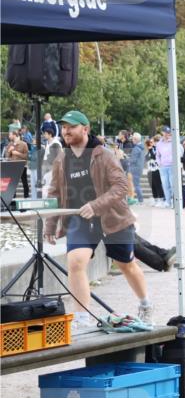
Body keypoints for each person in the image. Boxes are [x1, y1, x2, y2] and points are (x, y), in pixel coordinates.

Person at [42, 111, 153, 328]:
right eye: (63, 127)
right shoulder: (61, 159)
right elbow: (54, 193)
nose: (66, 131)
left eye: (71, 127)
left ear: (85, 128)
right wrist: (50, 224)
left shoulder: (104, 155)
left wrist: (95, 205)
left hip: (112, 217)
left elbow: (121, 186)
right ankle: (82, 318)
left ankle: (146, 304)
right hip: (80, 219)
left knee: (126, 265)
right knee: (75, 263)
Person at [155, 127, 175, 208]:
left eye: (168, 132)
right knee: (165, 185)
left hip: (172, 166)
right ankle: (167, 201)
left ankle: (174, 201)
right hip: (163, 167)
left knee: (172, 184)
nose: (167, 134)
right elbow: (157, 155)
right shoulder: (159, 144)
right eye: (165, 132)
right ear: (162, 133)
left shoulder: (174, 142)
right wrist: (159, 163)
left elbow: (180, 151)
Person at [5, 131, 30, 197]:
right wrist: (9, 151)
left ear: (15, 135)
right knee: (12, 183)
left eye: (10, 134)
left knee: (24, 182)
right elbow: (6, 156)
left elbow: (26, 156)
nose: (9, 136)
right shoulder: (10, 144)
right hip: (12, 165)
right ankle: (12, 198)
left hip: (22, 166)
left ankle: (26, 197)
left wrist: (18, 153)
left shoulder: (24, 144)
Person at [127, 133, 145, 204]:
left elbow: (133, 160)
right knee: (137, 184)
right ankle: (140, 200)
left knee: (136, 185)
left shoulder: (136, 148)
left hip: (135, 169)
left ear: (136, 139)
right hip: (139, 168)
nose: (132, 141)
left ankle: (140, 200)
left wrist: (126, 159)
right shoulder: (141, 147)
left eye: (133, 139)